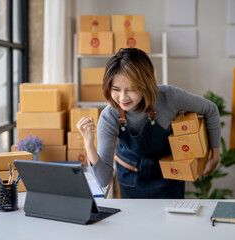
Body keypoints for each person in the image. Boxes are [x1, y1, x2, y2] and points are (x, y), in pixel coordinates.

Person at [77, 48, 221, 199]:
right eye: (116, 89)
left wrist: (215, 154)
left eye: (131, 89)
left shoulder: (169, 97)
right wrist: (88, 144)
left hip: (170, 176)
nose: (122, 98)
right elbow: (103, 179)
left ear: (146, 84)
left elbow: (210, 110)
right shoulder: (109, 117)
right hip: (130, 178)